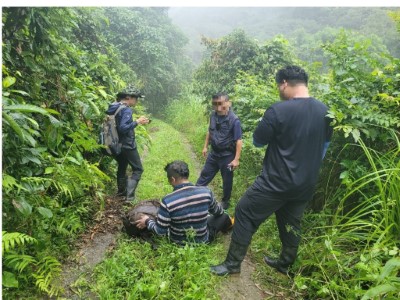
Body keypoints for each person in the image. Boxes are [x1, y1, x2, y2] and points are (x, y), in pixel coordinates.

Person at [210, 65, 333, 276]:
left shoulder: (278, 110)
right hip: (305, 184)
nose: (279, 89)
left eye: (278, 85)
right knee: (291, 221)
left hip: (275, 182)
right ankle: (285, 263)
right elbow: (324, 147)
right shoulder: (326, 112)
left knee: (244, 211)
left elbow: (258, 142)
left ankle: (232, 265)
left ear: (284, 83)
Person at [135, 160, 233, 244]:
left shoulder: (167, 201)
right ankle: (230, 225)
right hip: (203, 241)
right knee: (224, 216)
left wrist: (147, 221)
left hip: (177, 243)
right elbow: (218, 212)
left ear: (172, 179)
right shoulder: (206, 192)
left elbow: (160, 231)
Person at [196, 92, 243, 209]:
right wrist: (205, 146)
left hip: (227, 156)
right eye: (215, 104)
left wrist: (236, 159)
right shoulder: (213, 116)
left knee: (227, 181)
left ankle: (225, 202)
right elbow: (209, 131)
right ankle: (195, 195)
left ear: (228, 103)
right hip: (214, 154)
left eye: (220, 103)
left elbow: (239, 140)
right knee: (204, 176)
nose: (217, 107)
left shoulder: (234, 120)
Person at [106, 85, 150, 202]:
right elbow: (123, 128)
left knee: (122, 165)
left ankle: (121, 192)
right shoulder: (126, 109)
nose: (137, 101)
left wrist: (136, 122)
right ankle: (129, 197)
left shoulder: (114, 106)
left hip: (116, 143)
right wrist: (137, 121)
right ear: (128, 97)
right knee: (138, 169)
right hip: (127, 144)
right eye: (136, 98)